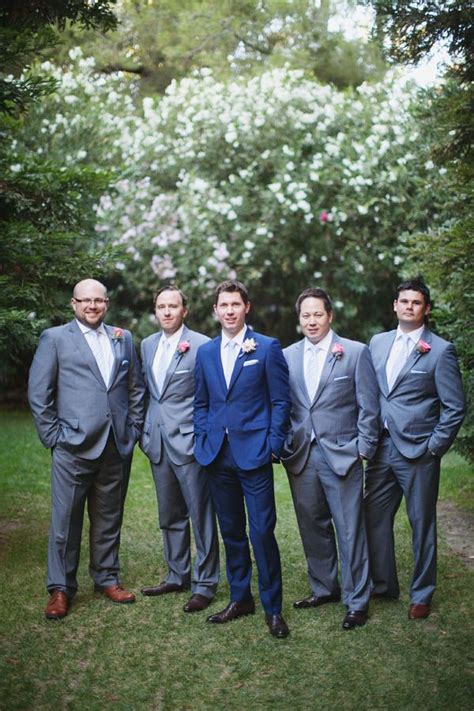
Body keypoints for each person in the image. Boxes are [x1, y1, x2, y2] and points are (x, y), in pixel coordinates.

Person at [28, 279, 145, 619]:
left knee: (109, 517)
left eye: (98, 300)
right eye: (85, 301)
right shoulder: (55, 339)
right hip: (72, 446)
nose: (92, 306)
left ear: (106, 303)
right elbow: (39, 394)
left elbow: (134, 388)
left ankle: (107, 577)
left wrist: (133, 429)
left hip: (115, 444)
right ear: (73, 304)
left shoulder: (123, 338)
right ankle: (61, 589)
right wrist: (54, 437)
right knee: (65, 520)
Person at [193, 280, 291, 638]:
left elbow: (281, 400)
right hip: (217, 455)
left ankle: (273, 608)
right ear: (216, 311)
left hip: (256, 453)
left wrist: (274, 443)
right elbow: (201, 402)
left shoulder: (266, 347)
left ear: (246, 307)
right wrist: (202, 436)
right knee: (231, 531)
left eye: (236, 304)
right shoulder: (205, 352)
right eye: (224, 305)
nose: (229, 310)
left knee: (261, 532)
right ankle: (240, 598)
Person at [364, 278, 466, 620]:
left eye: (416, 302)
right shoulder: (377, 344)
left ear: (426, 309)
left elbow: (454, 407)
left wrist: (434, 447)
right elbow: (372, 394)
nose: (409, 307)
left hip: (419, 452)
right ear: (394, 305)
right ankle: (383, 584)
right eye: (404, 301)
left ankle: (421, 593)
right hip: (381, 448)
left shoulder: (439, 350)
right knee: (374, 517)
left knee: (421, 523)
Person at [282, 287, 380, 630]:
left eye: (317, 314)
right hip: (301, 454)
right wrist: (284, 444)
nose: (312, 321)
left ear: (330, 316)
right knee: (312, 525)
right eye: (306, 315)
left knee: (350, 529)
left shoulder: (353, 353)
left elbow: (369, 405)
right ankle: (324, 588)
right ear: (299, 319)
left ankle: (357, 601)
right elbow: (284, 406)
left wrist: (363, 448)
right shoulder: (287, 355)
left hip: (342, 454)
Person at [140, 286, 219, 612]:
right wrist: (144, 434)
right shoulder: (146, 345)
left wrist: (203, 437)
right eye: (161, 306)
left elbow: (212, 397)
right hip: (156, 441)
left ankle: (205, 583)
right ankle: (177, 574)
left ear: (184, 310)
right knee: (169, 514)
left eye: (173, 306)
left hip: (189, 443)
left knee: (200, 515)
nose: (167, 312)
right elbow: (146, 392)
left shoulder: (201, 345)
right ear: (155, 311)